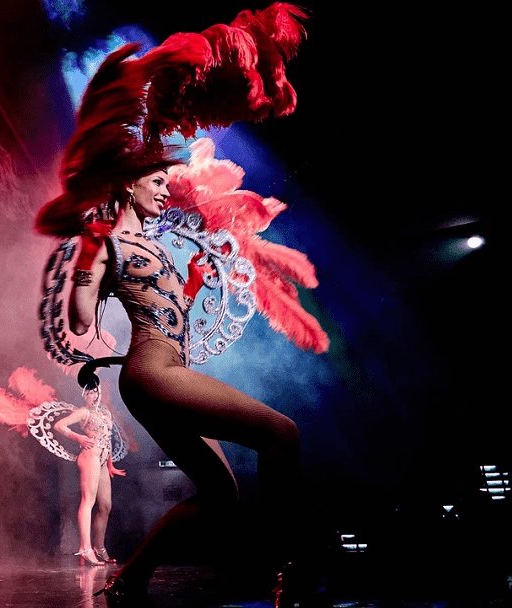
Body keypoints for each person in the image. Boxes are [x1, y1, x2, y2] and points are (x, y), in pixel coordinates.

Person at [33, 6, 314, 604]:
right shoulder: (105, 242)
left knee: (220, 495)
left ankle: (129, 580)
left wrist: (190, 284)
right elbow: (80, 320)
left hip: (164, 370)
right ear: (129, 184)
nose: (167, 188)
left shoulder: (152, 243)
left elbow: (165, 308)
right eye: (157, 181)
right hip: (153, 374)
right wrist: (86, 266)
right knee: (280, 434)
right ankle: (287, 572)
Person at [52, 383, 126, 566]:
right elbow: (59, 425)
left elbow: (107, 439)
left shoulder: (105, 412)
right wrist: (79, 438)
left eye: (97, 392)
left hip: (102, 460)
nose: (95, 396)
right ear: (85, 395)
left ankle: (99, 548)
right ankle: (85, 548)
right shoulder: (83, 412)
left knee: (106, 506)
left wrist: (110, 464)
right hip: (89, 456)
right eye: (91, 393)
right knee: (88, 501)